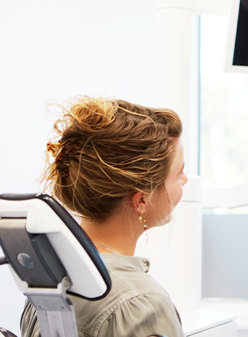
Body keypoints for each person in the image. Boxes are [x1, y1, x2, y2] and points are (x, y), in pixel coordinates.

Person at [20, 96, 188, 337]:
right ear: (141, 200)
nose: (185, 179)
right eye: (179, 172)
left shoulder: (48, 285)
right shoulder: (140, 302)